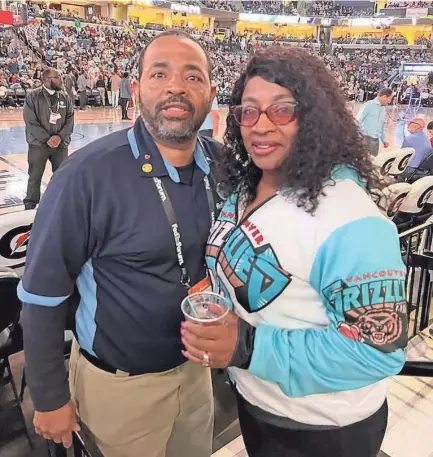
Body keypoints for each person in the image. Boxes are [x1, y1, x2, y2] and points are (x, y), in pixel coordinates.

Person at [182, 47, 408, 457]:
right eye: (248, 111)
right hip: (258, 404)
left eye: (281, 110)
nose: (260, 126)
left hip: (321, 429)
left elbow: (377, 352)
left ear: (313, 117)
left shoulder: (352, 220)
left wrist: (246, 347)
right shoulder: (249, 182)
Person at [19, 30, 221, 457]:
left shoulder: (221, 165)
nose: (176, 88)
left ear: (211, 93)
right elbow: (41, 295)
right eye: (159, 74)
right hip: (121, 387)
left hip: (197, 375)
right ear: (136, 90)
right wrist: (50, 395)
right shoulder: (86, 176)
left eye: (193, 77)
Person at [23, 68, 74, 210]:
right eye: (57, 77)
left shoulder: (64, 96)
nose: (61, 79)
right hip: (38, 144)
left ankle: (60, 203)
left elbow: (70, 119)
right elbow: (30, 121)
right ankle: (30, 205)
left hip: (60, 145)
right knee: (35, 176)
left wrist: (59, 137)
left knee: (62, 176)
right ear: (46, 79)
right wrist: (47, 138)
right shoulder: (33, 96)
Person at [356, 87, 393, 156]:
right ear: (384, 97)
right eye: (390, 99)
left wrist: (383, 139)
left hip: (376, 141)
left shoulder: (383, 108)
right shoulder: (368, 105)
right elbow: (357, 120)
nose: (389, 101)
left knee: (373, 162)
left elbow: (381, 125)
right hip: (365, 139)